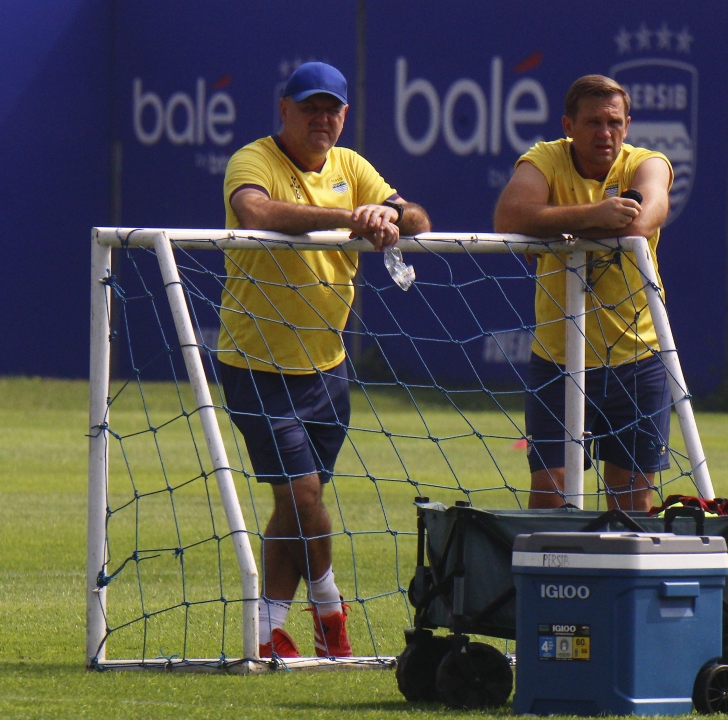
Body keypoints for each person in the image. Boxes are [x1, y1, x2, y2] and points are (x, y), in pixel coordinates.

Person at [218, 62, 431, 659]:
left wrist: (389, 214)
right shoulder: (253, 159)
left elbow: (416, 217)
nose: (322, 118)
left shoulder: (352, 165)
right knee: (304, 494)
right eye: (309, 107)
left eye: (332, 108)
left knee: (294, 503)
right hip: (256, 365)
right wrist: (350, 218)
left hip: (326, 368)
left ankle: (270, 631)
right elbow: (257, 213)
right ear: (283, 109)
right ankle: (332, 611)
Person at [494, 74, 674, 513]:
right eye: (593, 122)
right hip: (559, 359)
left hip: (639, 357)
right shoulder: (544, 160)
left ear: (627, 125)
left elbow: (639, 223)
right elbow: (509, 217)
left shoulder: (648, 164)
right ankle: (551, 582)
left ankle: (617, 583)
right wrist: (597, 214)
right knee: (551, 493)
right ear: (568, 126)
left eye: (614, 122)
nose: (605, 133)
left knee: (632, 502)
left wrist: (554, 226)